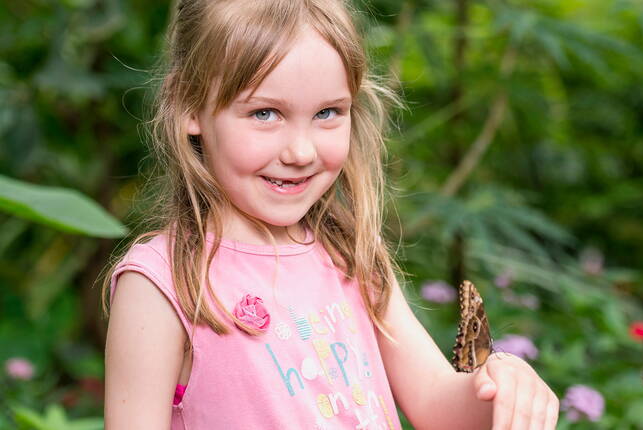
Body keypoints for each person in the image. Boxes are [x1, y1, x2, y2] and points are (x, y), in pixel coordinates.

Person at [102, 0, 559, 429]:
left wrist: (502, 390)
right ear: (188, 105)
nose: (301, 151)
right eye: (264, 113)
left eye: (327, 113)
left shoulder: (351, 254)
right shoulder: (163, 283)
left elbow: (440, 405)